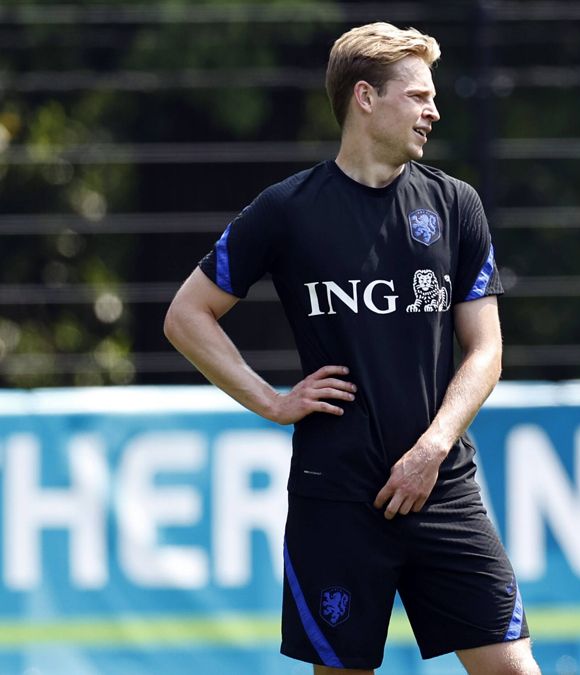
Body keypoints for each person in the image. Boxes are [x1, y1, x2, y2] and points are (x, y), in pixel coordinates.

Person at [164, 22, 539, 675]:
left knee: (513, 667)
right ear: (365, 98)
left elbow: (486, 351)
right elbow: (186, 315)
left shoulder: (456, 205)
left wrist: (432, 447)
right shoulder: (287, 209)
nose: (434, 110)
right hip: (335, 494)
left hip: (441, 484)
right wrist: (271, 401)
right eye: (418, 95)